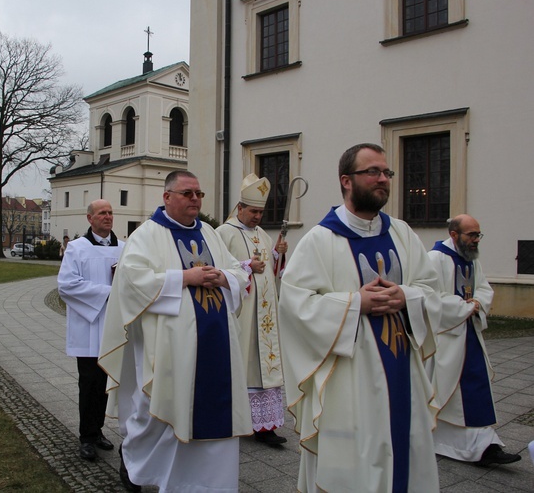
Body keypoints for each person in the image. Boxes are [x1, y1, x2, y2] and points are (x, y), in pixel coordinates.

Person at [278, 143, 442, 492]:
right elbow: (295, 305)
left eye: (387, 172)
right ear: (346, 181)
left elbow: (431, 290)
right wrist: (355, 304)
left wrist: (405, 295)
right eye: (373, 172)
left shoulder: (402, 234)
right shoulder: (320, 240)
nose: (383, 179)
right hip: (348, 377)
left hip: (403, 369)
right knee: (353, 464)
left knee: (405, 453)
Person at [98, 170, 252, 492]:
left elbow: (237, 271)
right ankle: (151, 472)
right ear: (167, 197)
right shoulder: (147, 234)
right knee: (162, 414)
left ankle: (211, 484)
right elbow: (130, 281)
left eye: (199, 194)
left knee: (213, 414)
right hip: (169, 350)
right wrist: (185, 278)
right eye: (187, 193)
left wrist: (223, 277)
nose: (195, 199)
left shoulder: (210, 233)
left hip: (218, 346)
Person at [427, 214, 521, 466]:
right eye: (471, 235)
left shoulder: (471, 259)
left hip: (469, 335)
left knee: (474, 390)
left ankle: (483, 445)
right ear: (454, 235)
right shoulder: (435, 259)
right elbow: (430, 297)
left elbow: (483, 287)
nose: (476, 240)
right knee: (452, 393)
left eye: (478, 235)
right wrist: (464, 308)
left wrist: (477, 303)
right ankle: (453, 443)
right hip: (446, 340)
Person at [216, 173, 288, 446]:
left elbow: (272, 270)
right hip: (242, 314)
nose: (258, 216)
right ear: (240, 208)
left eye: (261, 212)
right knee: (242, 365)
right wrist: (247, 266)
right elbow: (220, 268)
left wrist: (279, 254)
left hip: (266, 316)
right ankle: (237, 419)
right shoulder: (224, 233)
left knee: (264, 368)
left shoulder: (262, 235)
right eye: (254, 211)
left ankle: (264, 427)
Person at [57, 199, 124, 461]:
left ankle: (97, 432)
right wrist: (110, 293)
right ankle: (86, 436)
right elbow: (67, 285)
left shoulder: (125, 248)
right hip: (88, 326)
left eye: (110, 212)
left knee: (107, 384)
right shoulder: (77, 248)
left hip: (116, 327)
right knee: (89, 384)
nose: (107, 217)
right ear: (90, 218)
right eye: (101, 213)